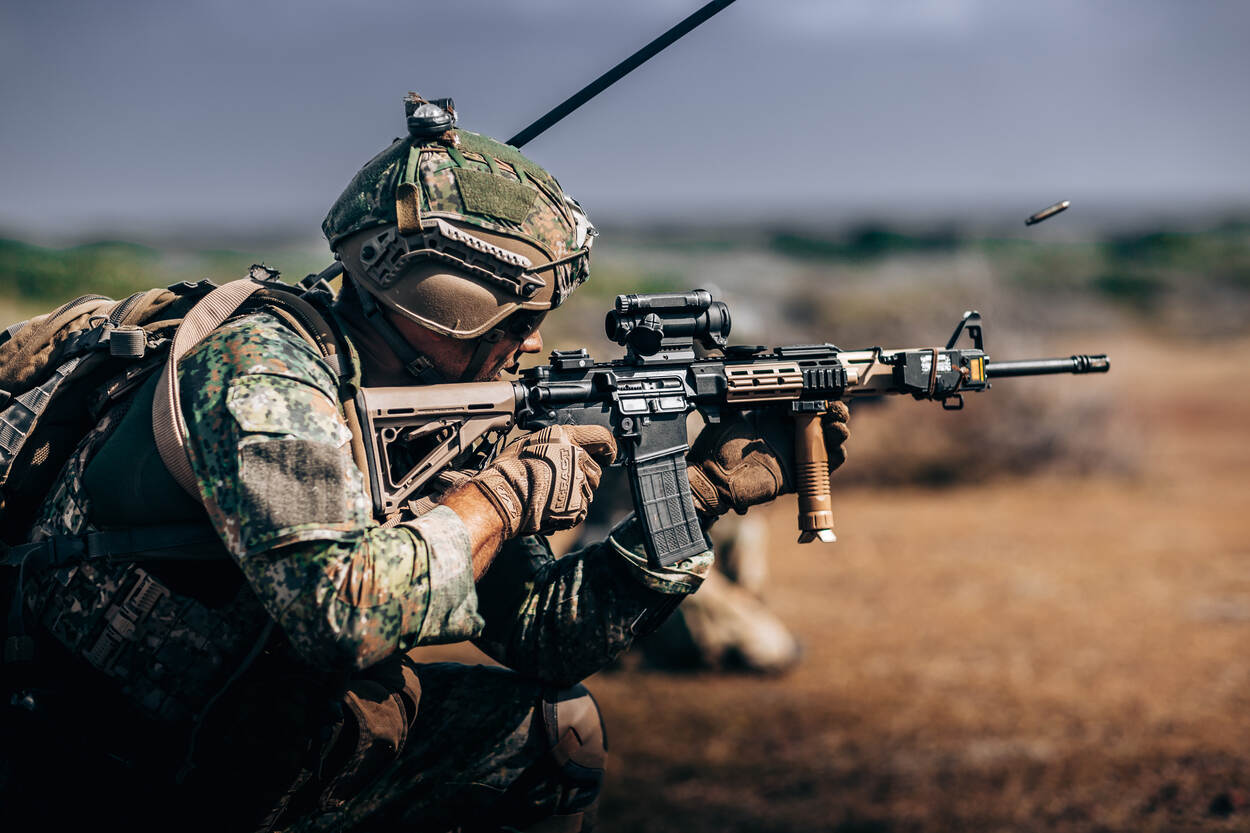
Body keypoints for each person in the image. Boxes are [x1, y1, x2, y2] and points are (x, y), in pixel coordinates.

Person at [0, 95, 849, 832]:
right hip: (90, 769)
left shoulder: (442, 403)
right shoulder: (260, 369)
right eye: (517, 319)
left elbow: (542, 634)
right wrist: (502, 498)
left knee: (553, 730)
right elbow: (342, 613)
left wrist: (696, 493)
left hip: (237, 748)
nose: (535, 343)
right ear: (443, 300)